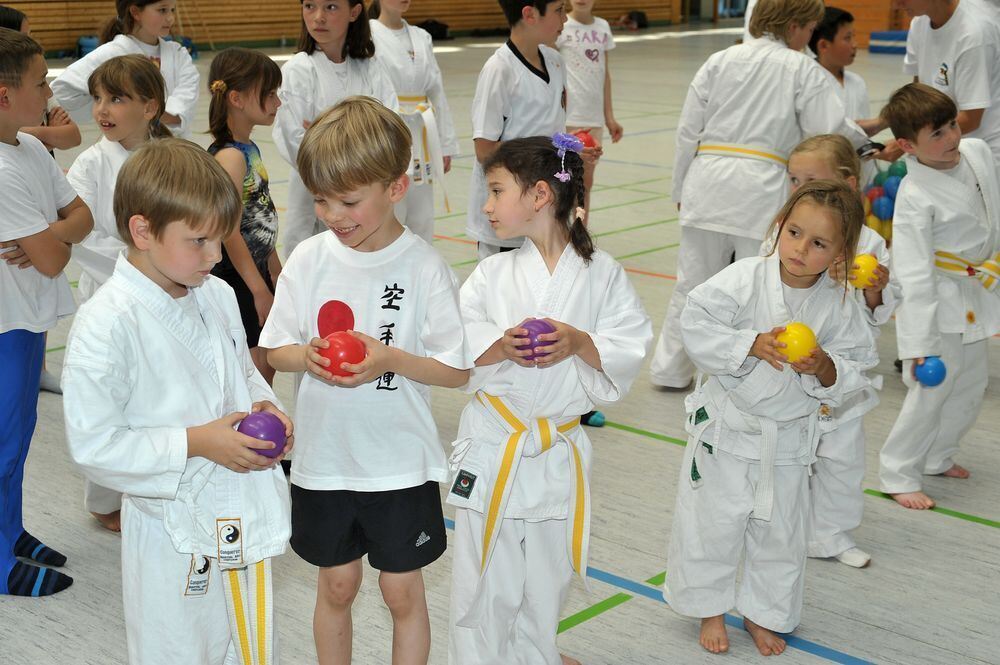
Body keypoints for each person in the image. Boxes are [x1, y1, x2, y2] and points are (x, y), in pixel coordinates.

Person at [63, 139, 293, 663]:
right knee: (181, 648)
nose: (215, 257)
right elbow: (95, 445)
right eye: (199, 241)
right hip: (170, 530)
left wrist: (265, 408)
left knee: (249, 644)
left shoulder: (214, 292)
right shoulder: (107, 324)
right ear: (143, 230)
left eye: (221, 240)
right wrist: (196, 442)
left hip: (237, 510)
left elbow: (240, 373)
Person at [260, 97, 470, 665]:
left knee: (401, 591)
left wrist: (389, 360)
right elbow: (274, 350)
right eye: (321, 200)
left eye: (349, 200)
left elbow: (456, 369)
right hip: (326, 460)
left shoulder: (423, 266)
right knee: (336, 586)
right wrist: (309, 358)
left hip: (399, 461)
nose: (333, 214)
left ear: (397, 187)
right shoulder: (308, 258)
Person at [447, 134, 652, 665]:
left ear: (539, 196)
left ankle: (536, 655)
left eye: (495, 191)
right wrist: (499, 345)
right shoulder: (492, 273)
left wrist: (581, 341)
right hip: (494, 444)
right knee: (482, 580)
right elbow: (453, 341)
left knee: (546, 578)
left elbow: (630, 339)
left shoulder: (601, 273)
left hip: (556, 447)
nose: (487, 206)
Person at [664, 180, 877, 656]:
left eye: (819, 243)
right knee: (711, 526)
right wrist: (748, 344)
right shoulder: (744, 278)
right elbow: (696, 320)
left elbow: (860, 364)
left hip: (785, 443)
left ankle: (764, 614)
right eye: (794, 232)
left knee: (780, 536)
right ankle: (711, 609)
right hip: (726, 432)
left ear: (841, 253)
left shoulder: (841, 304)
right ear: (779, 226)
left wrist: (824, 367)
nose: (800, 248)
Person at [648, 0, 868, 391]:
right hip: (760, 190)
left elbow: (688, 130)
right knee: (762, 288)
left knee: (692, 284)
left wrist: (681, 186)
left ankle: (670, 371)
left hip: (707, 181)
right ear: (797, 26)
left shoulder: (719, 60)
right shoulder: (802, 69)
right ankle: (758, 374)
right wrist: (866, 144)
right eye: (810, 29)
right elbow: (828, 134)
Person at [0, 29, 92, 597]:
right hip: (6, 325)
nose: (50, 90)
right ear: (4, 95)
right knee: (3, 442)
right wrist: (58, 238)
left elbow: (81, 214)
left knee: (20, 435)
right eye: (40, 82)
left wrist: (53, 233)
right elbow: (57, 260)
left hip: (27, 318)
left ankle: (9, 529)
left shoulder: (29, 148)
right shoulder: (3, 170)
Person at [877, 83, 1000, 509]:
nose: (952, 138)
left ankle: (938, 455)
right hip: (940, 297)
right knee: (933, 388)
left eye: (951, 125)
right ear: (907, 146)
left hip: (976, 286)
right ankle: (898, 471)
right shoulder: (914, 195)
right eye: (937, 134)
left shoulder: (978, 154)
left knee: (972, 384)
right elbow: (913, 275)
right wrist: (919, 347)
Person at [781, 135, 899, 568]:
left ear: (848, 184)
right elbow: (761, 283)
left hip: (844, 376)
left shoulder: (869, 245)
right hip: (792, 370)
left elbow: (878, 314)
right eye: (793, 178)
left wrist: (874, 289)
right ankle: (782, 527)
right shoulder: (784, 233)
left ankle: (831, 534)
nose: (798, 188)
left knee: (842, 460)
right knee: (789, 455)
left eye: (811, 179)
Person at [66, 55, 173, 532]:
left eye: (117, 98)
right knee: (113, 396)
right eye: (97, 99)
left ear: (150, 107)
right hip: (110, 293)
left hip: (168, 291)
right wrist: (143, 264)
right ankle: (104, 498)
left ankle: (155, 478)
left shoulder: (172, 156)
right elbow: (80, 235)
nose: (102, 110)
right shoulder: (91, 164)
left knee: (157, 393)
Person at [467, 0, 602, 260]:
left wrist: (572, 150)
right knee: (505, 296)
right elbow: (485, 151)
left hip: (546, 208)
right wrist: (552, 151)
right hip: (507, 214)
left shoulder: (555, 62)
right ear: (529, 14)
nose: (565, 19)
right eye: (559, 11)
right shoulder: (499, 70)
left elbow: (549, 132)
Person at [273, 0, 398, 258]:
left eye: (330, 7)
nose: (318, 17)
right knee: (312, 261)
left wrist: (321, 131)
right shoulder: (298, 69)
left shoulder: (371, 68)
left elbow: (390, 127)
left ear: (354, 12)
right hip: (312, 189)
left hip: (365, 194)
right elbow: (293, 138)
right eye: (309, 6)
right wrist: (361, 138)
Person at [207, 48, 283, 385]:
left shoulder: (248, 148)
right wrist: (258, 289)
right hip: (238, 281)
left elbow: (260, 218)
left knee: (266, 369)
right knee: (255, 381)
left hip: (256, 273)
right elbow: (229, 231)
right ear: (236, 98)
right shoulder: (231, 157)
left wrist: (276, 272)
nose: (277, 103)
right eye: (269, 94)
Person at [370, 0, 460, 244]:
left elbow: (437, 92)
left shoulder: (422, 36)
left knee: (422, 215)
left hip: (422, 134)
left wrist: (445, 145)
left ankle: (422, 274)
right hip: (387, 132)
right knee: (392, 210)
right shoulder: (368, 34)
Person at [50, 0, 199, 138]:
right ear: (135, 12)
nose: (170, 18)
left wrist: (133, 108)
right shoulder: (111, 53)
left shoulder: (179, 54)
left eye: (172, 10)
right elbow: (60, 92)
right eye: (162, 10)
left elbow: (184, 105)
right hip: (126, 151)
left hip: (175, 149)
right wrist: (106, 102)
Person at [556, 0, 623, 221]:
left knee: (585, 182)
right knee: (562, 179)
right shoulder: (561, 25)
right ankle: (558, 232)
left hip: (593, 119)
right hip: (568, 118)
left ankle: (579, 232)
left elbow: (606, 74)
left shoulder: (602, 27)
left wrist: (609, 117)